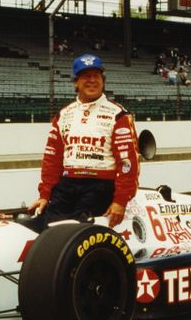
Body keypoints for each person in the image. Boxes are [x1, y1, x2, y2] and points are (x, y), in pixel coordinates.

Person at [28, 53, 140, 229]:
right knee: (46, 230)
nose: (92, 81)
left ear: (103, 81)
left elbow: (128, 163)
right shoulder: (63, 115)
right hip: (66, 186)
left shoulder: (118, 114)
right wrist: (45, 195)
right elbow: (52, 160)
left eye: (96, 76)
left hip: (100, 187)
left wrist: (120, 200)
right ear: (76, 82)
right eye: (86, 76)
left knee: (74, 234)